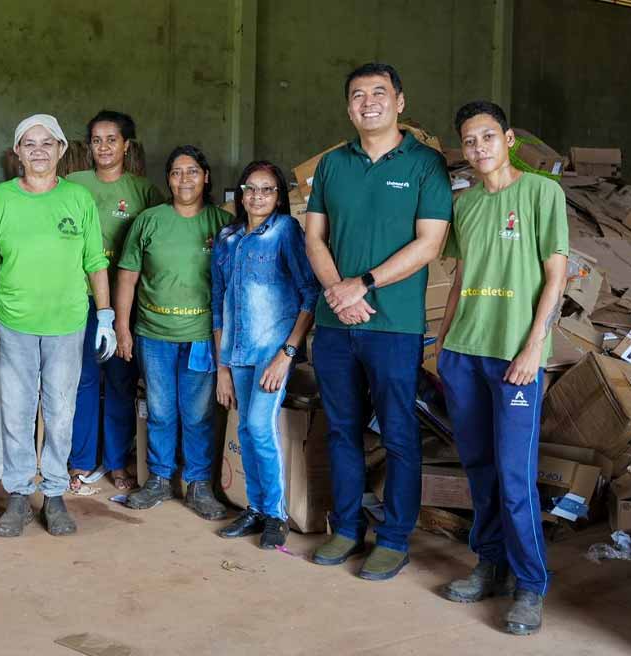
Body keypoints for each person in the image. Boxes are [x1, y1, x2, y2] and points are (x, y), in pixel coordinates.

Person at [304, 63, 452, 580]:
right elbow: (314, 238)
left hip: (395, 325)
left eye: (379, 92)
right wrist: (338, 292)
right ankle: (347, 529)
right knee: (341, 431)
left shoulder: (426, 164)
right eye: (358, 95)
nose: (368, 102)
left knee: (398, 434)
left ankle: (393, 538)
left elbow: (429, 244)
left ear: (400, 102)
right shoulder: (332, 165)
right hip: (335, 324)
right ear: (348, 107)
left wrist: (362, 284)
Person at [437, 101, 567, 635]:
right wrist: (443, 344)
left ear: (508, 139)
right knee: (479, 470)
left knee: (515, 476)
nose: (479, 148)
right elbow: (461, 276)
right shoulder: (465, 205)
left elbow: (556, 275)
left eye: (487, 136)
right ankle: (489, 564)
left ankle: (530, 584)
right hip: (463, 354)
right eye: (469, 141)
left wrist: (535, 348)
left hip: (515, 358)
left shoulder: (541, 193)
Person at [0, 114, 114, 537]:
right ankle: (18, 496)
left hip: (67, 322)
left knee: (60, 412)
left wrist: (105, 316)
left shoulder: (78, 199)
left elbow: (95, 262)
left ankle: (53, 494)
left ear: (61, 150)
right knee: (16, 412)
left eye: (47, 143)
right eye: (29, 144)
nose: (38, 151)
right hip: (15, 321)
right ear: (17, 152)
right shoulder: (2, 198)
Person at [117, 145, 232, 521]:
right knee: (161, 410)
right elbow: (128, 277)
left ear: (206, 177)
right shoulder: (149, 221)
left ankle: (198, 483)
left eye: (192, 171)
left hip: (201, 336)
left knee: (198, 414)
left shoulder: (222, 224)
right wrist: (122, 327)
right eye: (176, 172)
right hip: (154, 335)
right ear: (168, 179)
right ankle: (160, 479)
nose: (184, 179)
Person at [211, 161, 320, 549]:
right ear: (241, 194)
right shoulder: (227, 238)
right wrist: (222, 367)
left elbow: (310, 294)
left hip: (272, 351)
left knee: (259, 426)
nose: (257, 196)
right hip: (236, 351)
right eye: (250, 189)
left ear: (279, 196)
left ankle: (276, 514)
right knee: (245, 428)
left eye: (267, 189)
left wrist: (287, 354)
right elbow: (217, 301)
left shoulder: (285, 231)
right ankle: (255, 509)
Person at [65, 110, 164, 491]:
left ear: (126, 146)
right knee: (84, 380)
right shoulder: (73, 185)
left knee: (121, 381)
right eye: (96, 140)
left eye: (111, 139)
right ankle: (81, 460)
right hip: (81, 298)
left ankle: (117, 462)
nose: (103, 147)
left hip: (125, 304)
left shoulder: (144, 191)